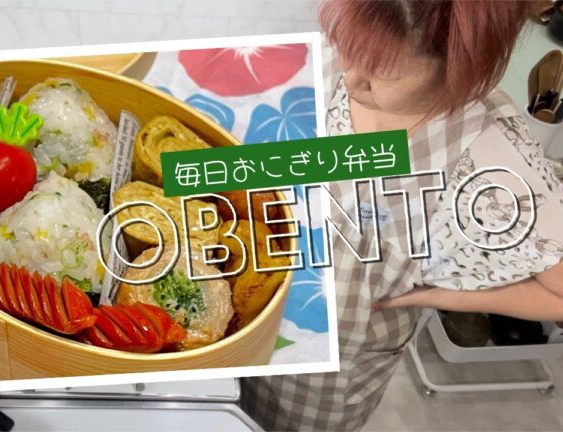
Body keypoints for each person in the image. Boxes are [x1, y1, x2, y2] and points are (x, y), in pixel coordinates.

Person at [241, 1, 563, 430]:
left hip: (326, 373)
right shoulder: (352, 58)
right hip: (256, 311)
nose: (350, 78)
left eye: (381, 73)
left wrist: (442, 296)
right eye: (346, 47)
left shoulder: (489, 162)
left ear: (457, 68)